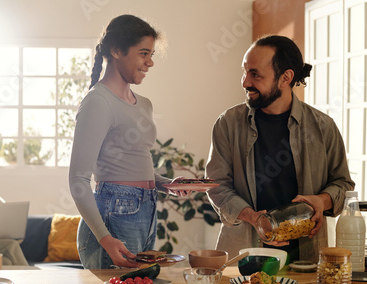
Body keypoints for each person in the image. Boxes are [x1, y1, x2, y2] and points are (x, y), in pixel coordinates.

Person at [205, 35, 354, 263]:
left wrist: (322, 201)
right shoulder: (228, 123)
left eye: (255, 74)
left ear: (286, 78)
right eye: (244, 72)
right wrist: (253, 218)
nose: (245, 82)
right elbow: (216, 185)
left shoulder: (323, 127)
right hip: (244, 259)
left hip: (308, 260)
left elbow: (343, 185)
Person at [69, 14, 186, 269]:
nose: (150, 62)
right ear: (117, 50)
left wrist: (167, 184)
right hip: (113, 214)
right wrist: (105, 238)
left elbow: (131, 164)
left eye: (152, 54)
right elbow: (78, 180)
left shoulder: (144, 104)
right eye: (144, 53)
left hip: (147, 208)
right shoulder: (98, 102)